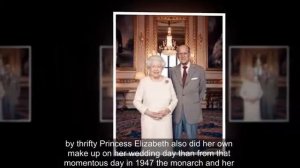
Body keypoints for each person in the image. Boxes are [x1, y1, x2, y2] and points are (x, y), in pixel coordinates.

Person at [133, 55, 178, 139]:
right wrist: (148, 112)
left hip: (165, 118)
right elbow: (136, 101)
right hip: (149, 119)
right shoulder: (144, 81)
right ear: (149, 68)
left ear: (162, 68)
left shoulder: (168, 81)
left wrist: (167, 110)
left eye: (159, 66)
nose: (156, 69)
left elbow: (174, 100)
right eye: (153, 66)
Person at [170, 45, 206, 139]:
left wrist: (196, 101)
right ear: (177, 55)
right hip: (176, 108)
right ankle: (177, 153)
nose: (182, 56)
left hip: (192, 108)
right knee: (176, 138)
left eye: (185, 53)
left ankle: (193, 153)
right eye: (180, 53)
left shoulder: (199, 70)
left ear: (189, 54)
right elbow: (171, 89)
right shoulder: (172, 71)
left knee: (192, 138)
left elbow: (202, 88)